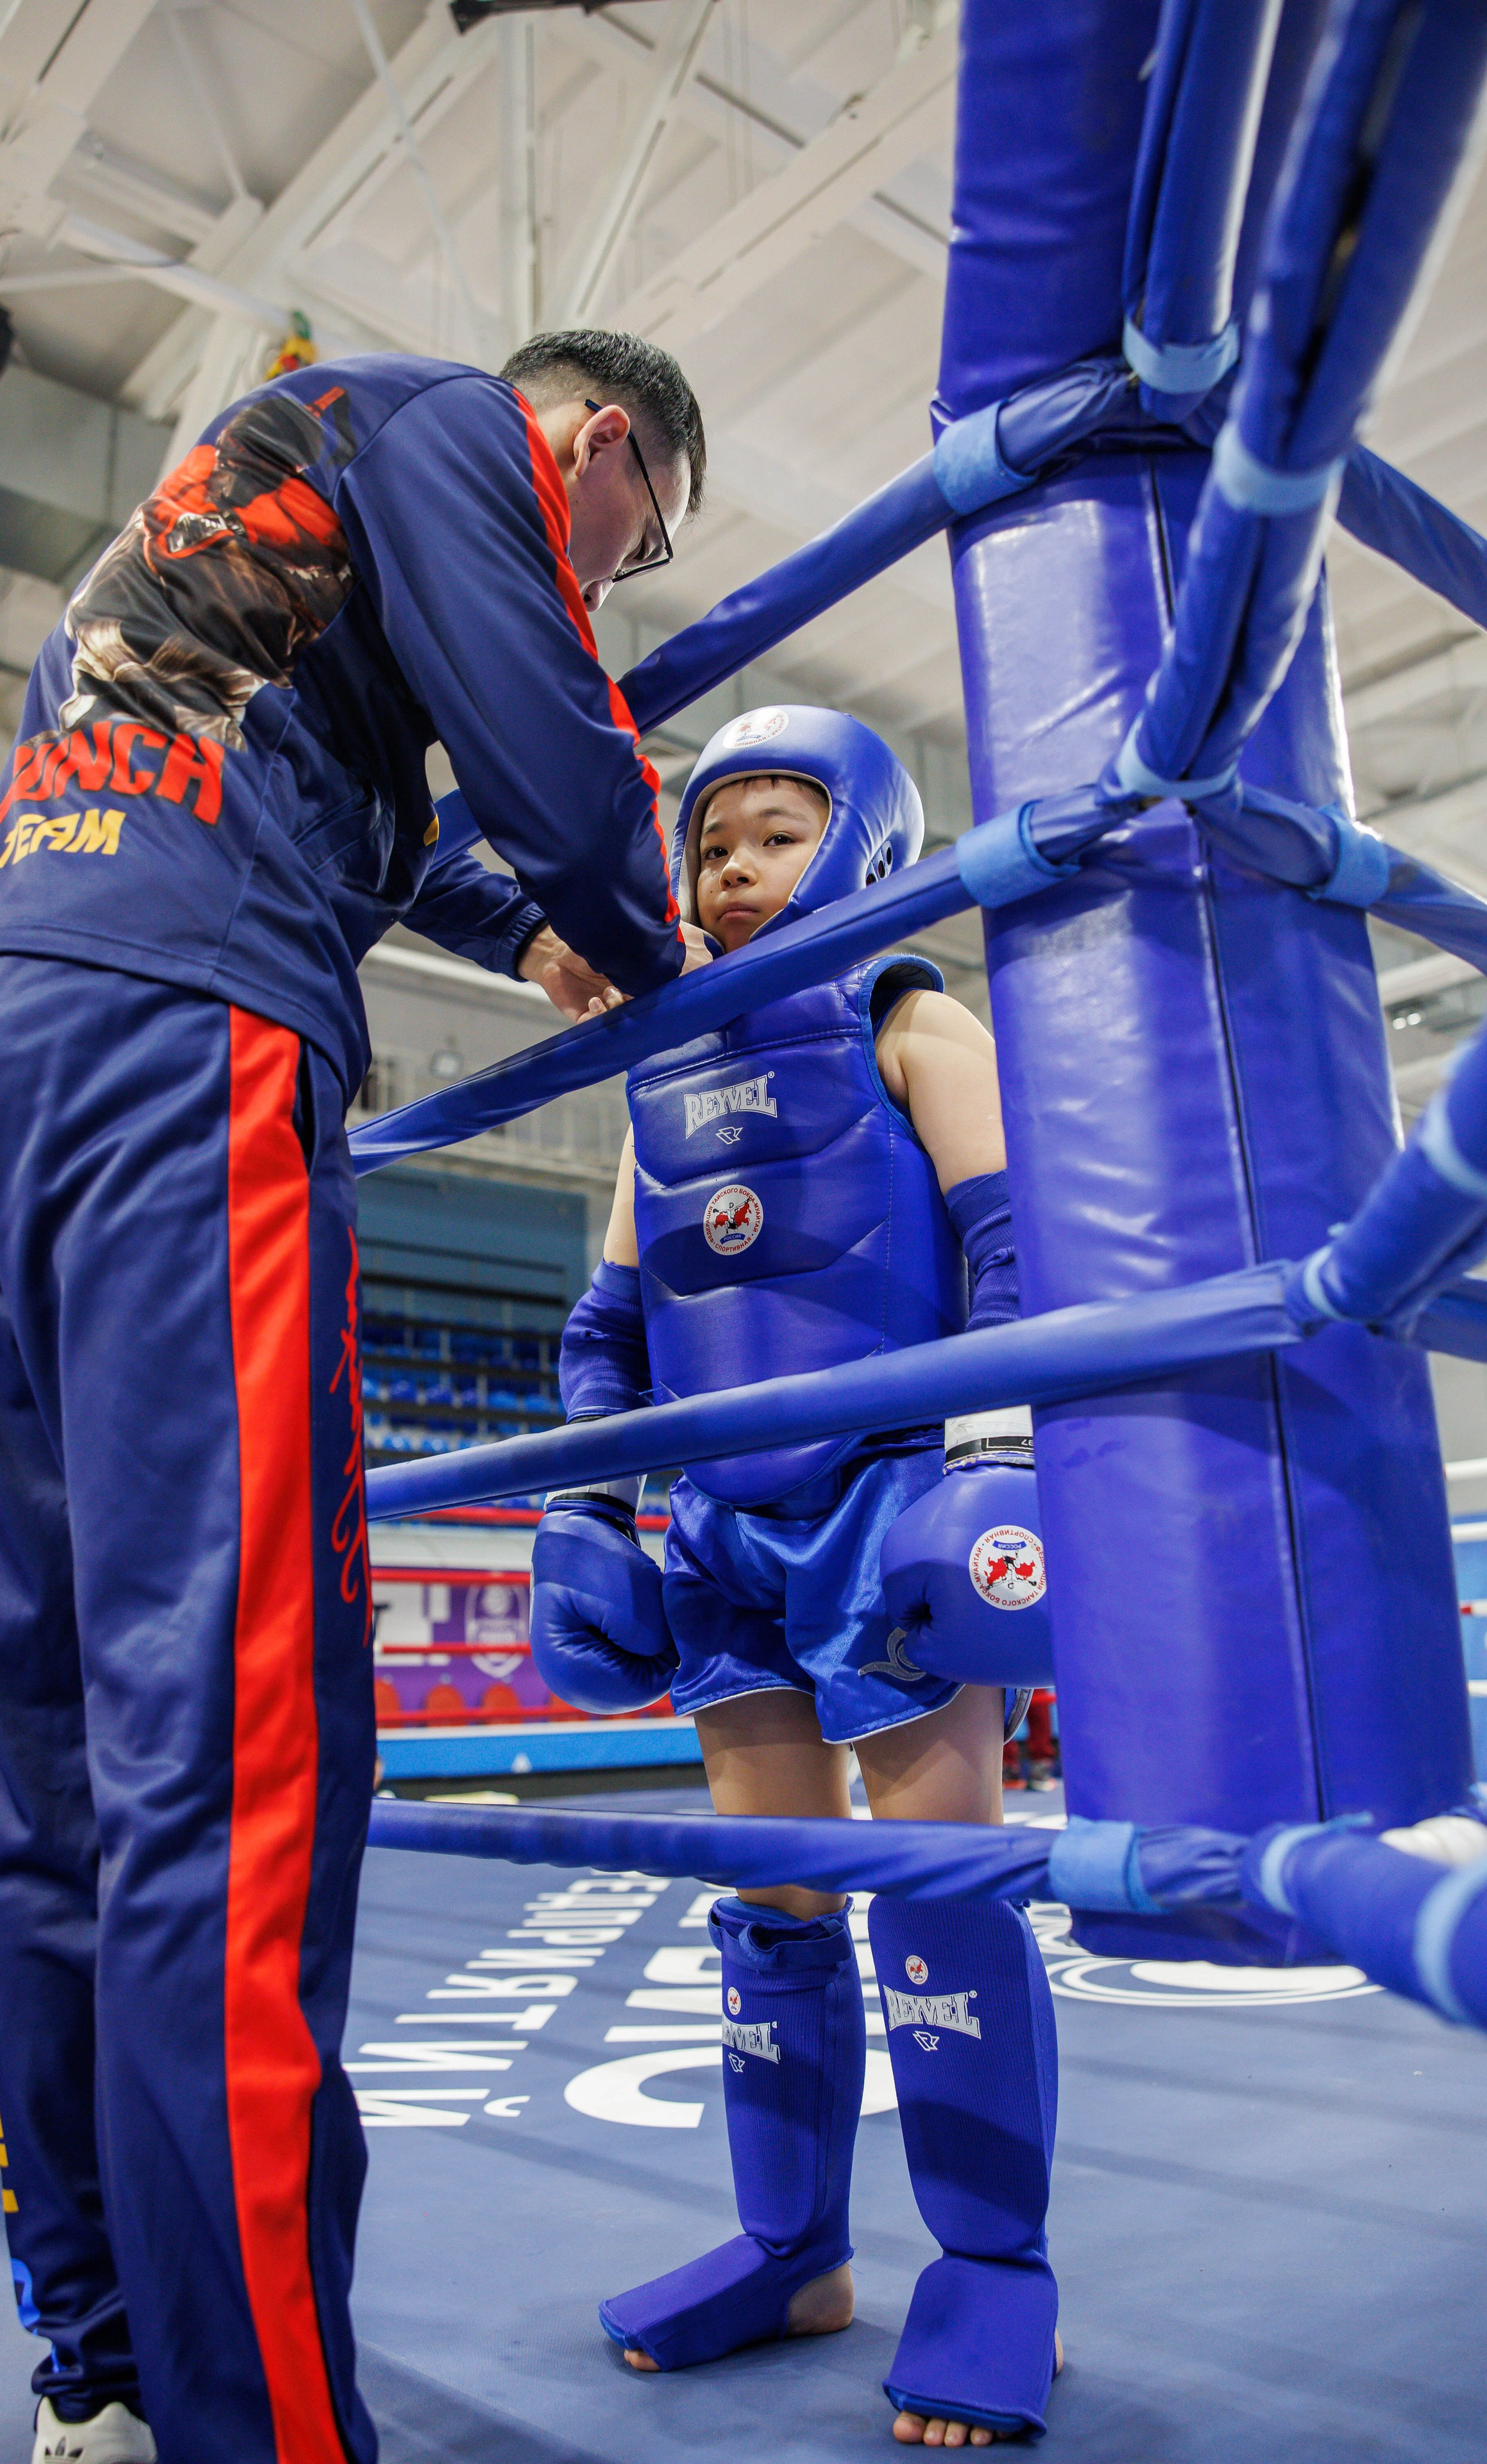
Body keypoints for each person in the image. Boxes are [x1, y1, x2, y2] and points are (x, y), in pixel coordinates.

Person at [0, 327, 713, 2464]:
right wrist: (633, 930)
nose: (603, 581)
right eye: (627, 543)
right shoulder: (464, 430)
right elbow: (556, 762)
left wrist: (501, 928)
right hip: (181, 1041)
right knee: (234, 1768)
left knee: (60, 1770)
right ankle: (261, 2431)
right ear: (601, 445)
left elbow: (325, 753)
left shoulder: (268, 481)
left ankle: (97, 2373)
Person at [531, 708, 1062, 2448]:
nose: (737, 868)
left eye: (778, 832)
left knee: (934, 1881)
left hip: (887, 1498)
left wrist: (984, 1461)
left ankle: (994, 2272)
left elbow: (1010, 1248)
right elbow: (610, 1326)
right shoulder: (659, 1069)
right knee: (774, 1896)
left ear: (865, 846)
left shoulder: (914, 1016)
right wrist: (590, 1512)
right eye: (716, 843)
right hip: (723, 1532)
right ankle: (793, 2248)